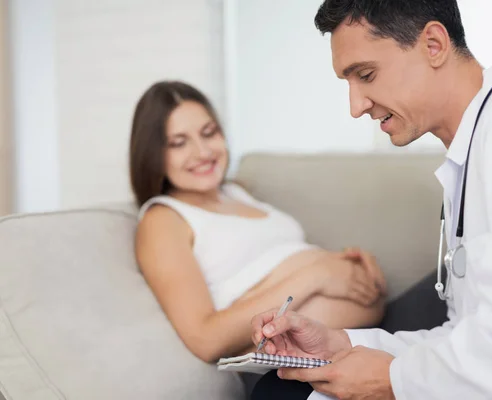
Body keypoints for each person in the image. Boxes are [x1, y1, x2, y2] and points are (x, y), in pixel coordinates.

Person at [250, 0, 492, 399]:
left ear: (433, 44)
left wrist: (393, 381)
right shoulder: (475, 150)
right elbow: (472, 340)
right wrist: (347, 346)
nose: (356, 106)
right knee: (283, 388)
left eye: (366, 75)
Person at [129, 81, 388, 365]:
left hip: (372, 338)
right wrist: (319, 274)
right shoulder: (163, 219)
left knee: (442, 277)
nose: (203, 152)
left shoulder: (236, 192)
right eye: (179, 143)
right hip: (311, 368)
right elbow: (205, 339)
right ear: (153, 155)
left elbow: (278, 261)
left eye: (209, 133)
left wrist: (346, 265)